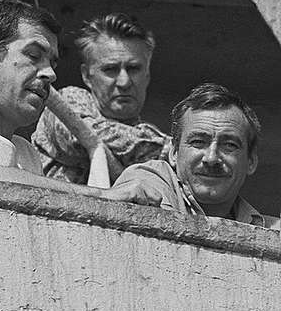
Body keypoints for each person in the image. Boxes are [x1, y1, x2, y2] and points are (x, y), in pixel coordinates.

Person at [0, 0, 158, 205]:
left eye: (52, 63)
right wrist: (103, 195)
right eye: (33, 55)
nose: (50, 74)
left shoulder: (26, 155)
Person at [112, 83, 276, 227]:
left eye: (229, 145)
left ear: (251, 161)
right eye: (198, 142)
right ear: (174, 153)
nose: (211, 158)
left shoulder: (265, 228)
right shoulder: (152, 180)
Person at [32, 13, 168, 184]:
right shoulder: (68, 100)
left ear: (147, 74)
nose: (124, 82)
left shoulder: (147, 139)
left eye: (133, 68)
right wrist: (170, 150)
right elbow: (86, 133)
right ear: (86, 76)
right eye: (110, 69)